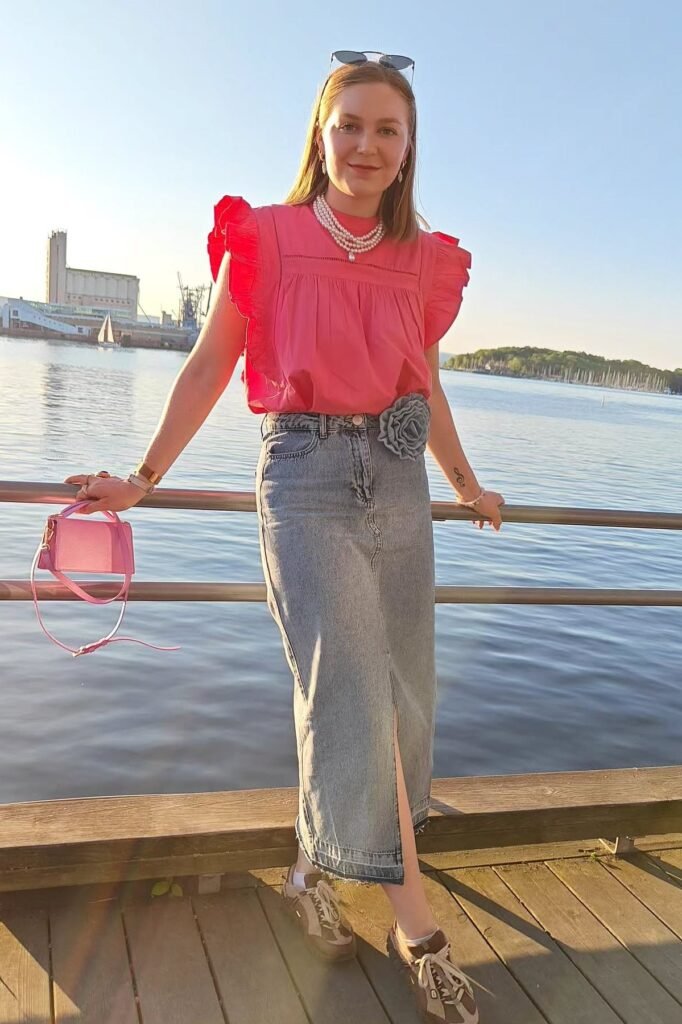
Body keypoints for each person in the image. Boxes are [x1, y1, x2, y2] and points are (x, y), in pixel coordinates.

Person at [65, 50, 503, 1024]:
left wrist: (466, 482)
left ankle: (312, 873)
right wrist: (144, 478)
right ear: (320, 134)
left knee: (393, 697)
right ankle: (417, 928)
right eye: (348, 124)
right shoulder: (263, 239)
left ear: (407, 148)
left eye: (386, 129)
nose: (365, 144)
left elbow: (423, 386)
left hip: (396, 476)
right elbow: (210, 364)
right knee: (355, 693)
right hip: (303, 482)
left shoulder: (425, 260)